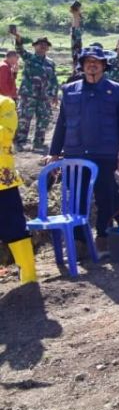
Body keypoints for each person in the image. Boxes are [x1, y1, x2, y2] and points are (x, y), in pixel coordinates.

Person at [48, 44, 119, 245]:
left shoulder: (117, 90)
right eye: (88, 62)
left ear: (104, 66)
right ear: (82, 66)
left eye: (96, 62)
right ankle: (79, 242)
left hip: (104, 153)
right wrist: (54, 153)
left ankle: (103, 236)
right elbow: (61, 123)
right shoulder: (69, 91)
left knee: (105, 197)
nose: (92, 66)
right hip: (74, 152)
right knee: (76, 198)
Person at [1, 92, 36, 284]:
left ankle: (29, 276)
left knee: (14, 227)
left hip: (2, 181)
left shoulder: (5, 104)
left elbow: (5, 134)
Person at [10, 30, 59, 151]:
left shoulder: (50, 63)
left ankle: (38, 143)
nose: (43, 46)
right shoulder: (29, 58)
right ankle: (19, 143)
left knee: (43, 119)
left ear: (48, 48)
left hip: (44, 96)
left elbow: (53, 79)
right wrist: (18, 37)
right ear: (35, 46)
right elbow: (19, 49)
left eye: (45, 44)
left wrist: (54, 95)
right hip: (28, 95)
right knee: (24, 118)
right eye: (40, 44)